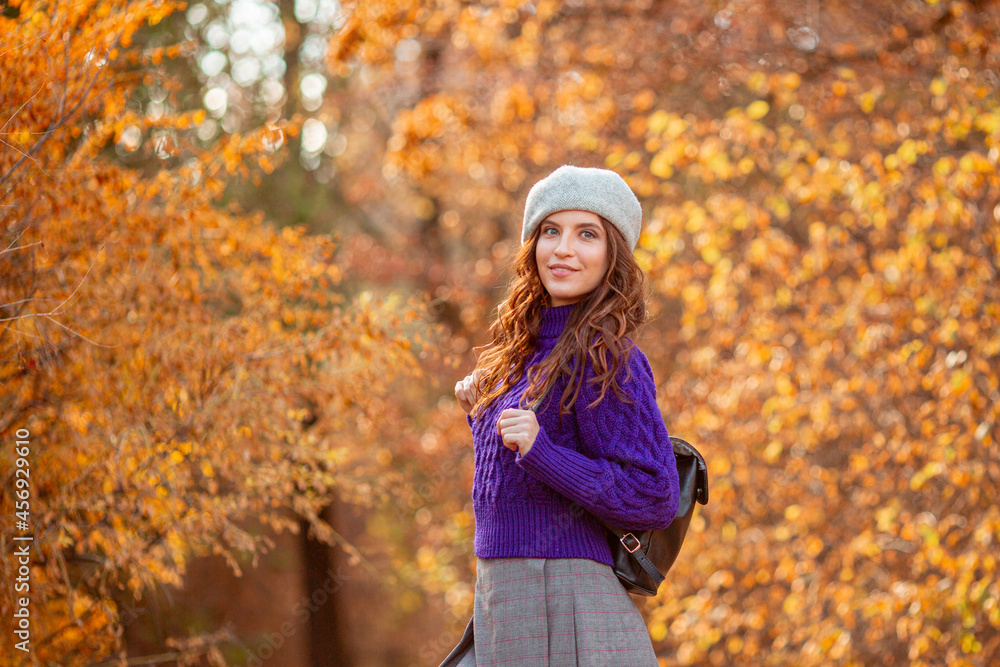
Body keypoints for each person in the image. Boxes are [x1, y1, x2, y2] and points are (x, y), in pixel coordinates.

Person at [439, 165, 681, 666]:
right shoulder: (519, 353)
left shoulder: (607, 357)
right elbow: (515, 485)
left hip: (566, 600)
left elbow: (656, 495)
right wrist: (481, 417)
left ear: (613, 255)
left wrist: (542, 452)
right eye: (551, 230)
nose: (563, 248)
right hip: (502, 594)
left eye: (586, 234)